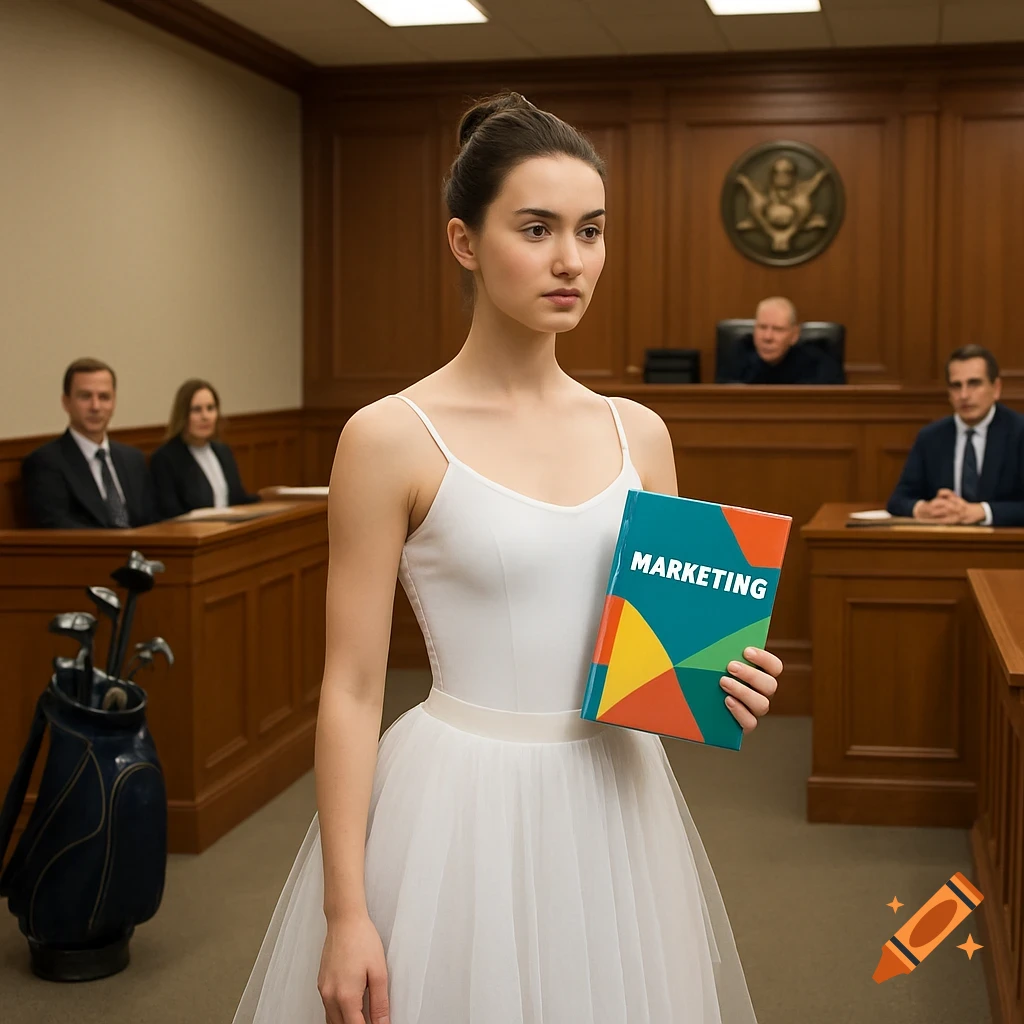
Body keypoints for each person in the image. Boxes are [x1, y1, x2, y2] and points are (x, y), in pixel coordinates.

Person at [232, 93, 783, 1024]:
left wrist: (722, 678)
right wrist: (346, 908)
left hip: (616, 801)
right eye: (538, 228)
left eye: (592, 231)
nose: (572, 260)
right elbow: (353, 687)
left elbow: (663, 662)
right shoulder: (388, 437)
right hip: (459, 807)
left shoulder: (641, 433)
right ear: (464, 241)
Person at [887, 345, 1024, 525]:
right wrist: (924, 508)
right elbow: (898, 499)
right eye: (956, 386)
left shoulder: (1019, 432)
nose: (964, 395)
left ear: (996, 388)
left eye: (974, 384)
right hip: (944, 544)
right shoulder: (931, 437)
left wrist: (982, 511)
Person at [21, 357, 157, 529]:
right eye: (85, 396)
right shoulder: (45, 462)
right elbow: (56, 526)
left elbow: (152, 520)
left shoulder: (133, 459)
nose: (95, 406)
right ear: (66, 402)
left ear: (114, 402)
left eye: (104, 397)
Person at [148, 379, 260, 518]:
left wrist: (269, 500)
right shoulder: (165, 459)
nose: (205, 416)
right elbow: (171, 515)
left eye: (210, 408)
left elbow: (238, 500)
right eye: (196, 410)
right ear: (183, 415)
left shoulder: (223, 451)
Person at [728, 297, 845, 384]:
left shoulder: (819, 365)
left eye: (778, 329)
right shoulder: (737, 359)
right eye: (762, 327)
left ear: (794, 335)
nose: (767, 337)